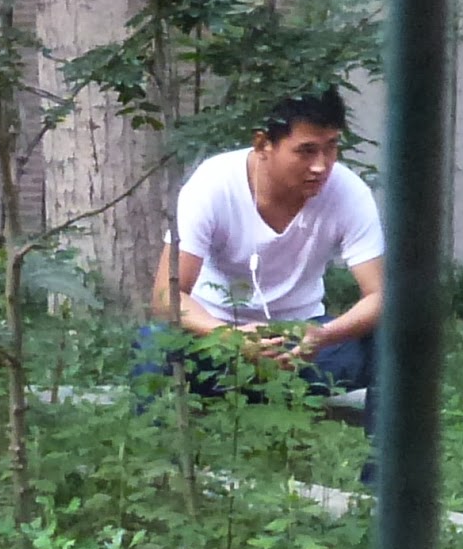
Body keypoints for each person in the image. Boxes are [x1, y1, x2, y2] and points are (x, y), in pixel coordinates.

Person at [142, 89, 384, 434]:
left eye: (331, 147)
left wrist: (323, 335)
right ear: (262, 144)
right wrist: (230, 337)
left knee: (399, 337)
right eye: (306, 151)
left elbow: (380, 295)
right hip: (217, 343)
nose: (321, 165)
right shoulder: (213, 184)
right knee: (155, 342)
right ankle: (158, 459)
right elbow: (166, 296)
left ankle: (386, 466)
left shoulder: (348, 192)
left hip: (303, 347)